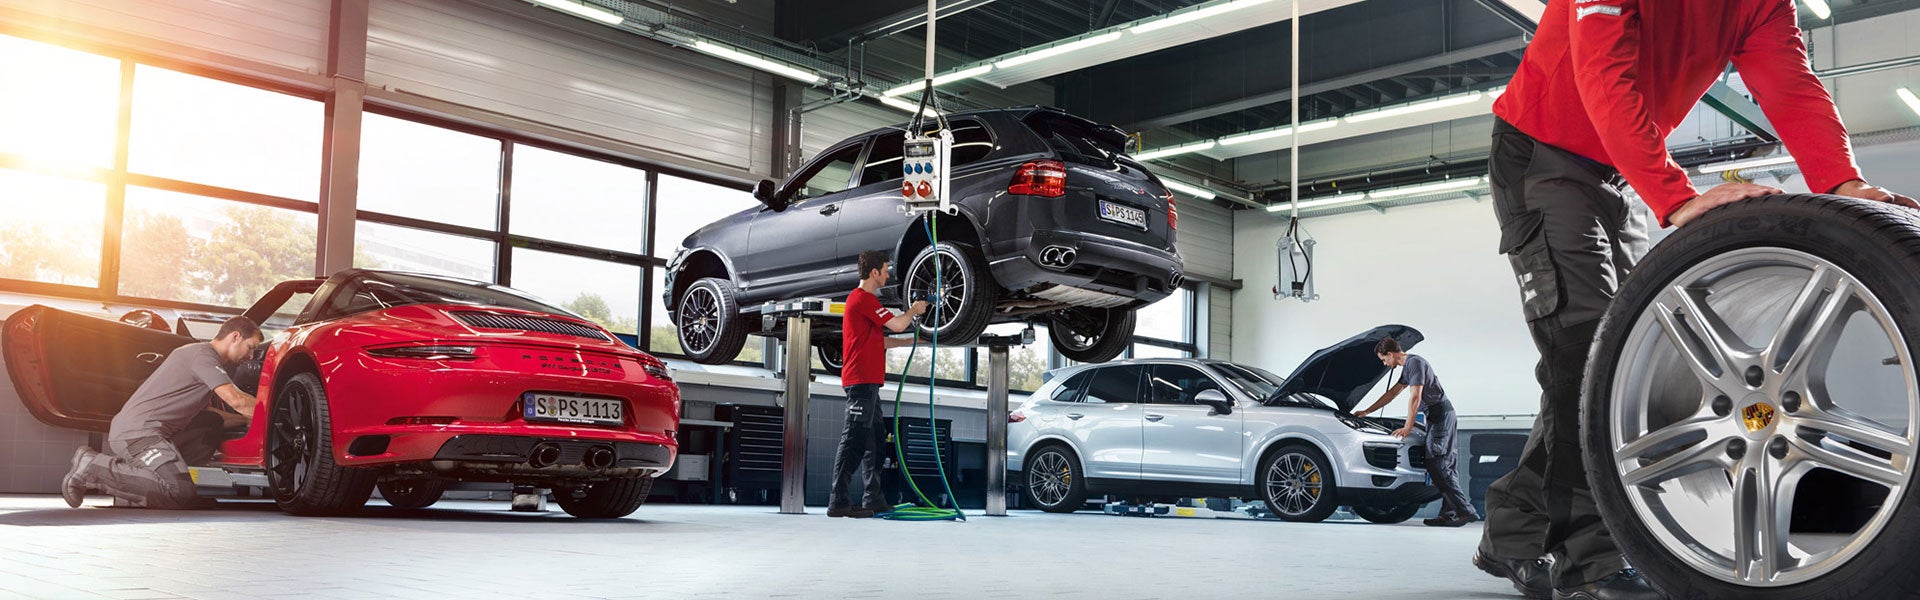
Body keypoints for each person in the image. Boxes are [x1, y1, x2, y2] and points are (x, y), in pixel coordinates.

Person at [1478, 1, 1916, 598]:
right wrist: (1674, 195)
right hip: (1541, 151)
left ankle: (1513, 529)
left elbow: (1788, 82)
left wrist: (1842, 181)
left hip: (1615, 166)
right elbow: (1603, 72)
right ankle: (1593, 559)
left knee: (1617, 360)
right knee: (1583, 352)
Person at [61, 316, 265, 509]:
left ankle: (139, 474)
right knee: (178, 491)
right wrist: (270, 416)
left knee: (210, 422)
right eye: (250, 347)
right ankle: (92, 466)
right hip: (139, 434)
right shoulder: (203, 356)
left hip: (151, 434)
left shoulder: (203, 357)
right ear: (235, 336)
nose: (250, 356)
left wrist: (245, 421)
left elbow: (214, 416)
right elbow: (236, 399)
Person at [827, 250, 928, 518]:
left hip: (870, 383)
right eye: (885, 270)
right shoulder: (863, 299)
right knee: (854, 441)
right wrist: (914, 310)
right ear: (874, 273)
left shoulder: (865, 303)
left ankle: (873, 498)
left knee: (875, 443)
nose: (887, 274)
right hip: (860, 382)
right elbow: (896, 325)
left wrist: (911, 342)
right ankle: (838, 502)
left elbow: (880, 341)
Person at [1353, 338, 1477, 528]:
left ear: (1391, 354)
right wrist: (1367, 411)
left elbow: (1415, 397)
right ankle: (1449, 514)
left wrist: (1408, 427)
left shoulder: (1415, 363)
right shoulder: (1408, 367)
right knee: (1446, 465)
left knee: (1437, 462)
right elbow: (1392, 393)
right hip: (1441, 416)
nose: (1384, 364)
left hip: (1440, 417)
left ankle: (1465, 511)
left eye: (1383, 360)